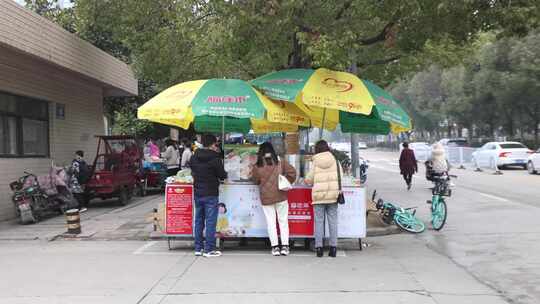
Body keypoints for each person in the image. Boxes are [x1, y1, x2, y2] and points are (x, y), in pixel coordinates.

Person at [252, 142, 296, 256]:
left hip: (266, 198)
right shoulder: (280, 161)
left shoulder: (258, 165)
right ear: (272, 150)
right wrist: (285, 181)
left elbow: (255, 180)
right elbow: (293, 173)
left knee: (270, 223)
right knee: (283, 221)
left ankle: (275, 247)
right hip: (281, 196)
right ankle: (285, 247)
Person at [190, 134, 228, 257]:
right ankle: (209, 249)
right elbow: (222, 175)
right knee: (210, 222)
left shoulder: (194, 157)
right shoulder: (215, 158)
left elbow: (193, 171)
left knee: (199, 220)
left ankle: (198, 248)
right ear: (212, 144)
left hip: (198, 192)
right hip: (211, 193)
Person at [304, 140, 342, 258]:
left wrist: (307, 180)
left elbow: (309, 180)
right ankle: (333, 248)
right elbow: (341, 176)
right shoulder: (335, 161)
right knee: (333, 222)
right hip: (333, 196)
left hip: (318, 197)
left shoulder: (315, 162)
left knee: (319, 222)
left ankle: (319, 248)